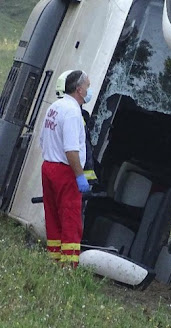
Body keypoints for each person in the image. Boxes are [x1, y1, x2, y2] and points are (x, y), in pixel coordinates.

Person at [40, 70, 92, 267]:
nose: (89, 89)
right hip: (65, 171)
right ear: (79, 89)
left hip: (49, 167)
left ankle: (54, 260)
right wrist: (80, 176)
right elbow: (71, 150)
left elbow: (43, 140)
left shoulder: (55, 107)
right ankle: (68, 266)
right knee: (70, 218)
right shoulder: (72, 112)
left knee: (53, 216)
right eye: (87, 86)